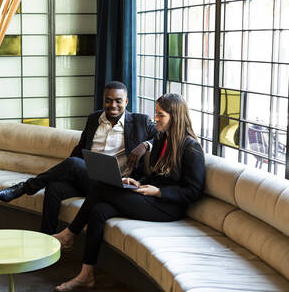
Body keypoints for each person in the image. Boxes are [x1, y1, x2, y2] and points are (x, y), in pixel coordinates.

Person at [51, 93, 206, 291]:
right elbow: (155, 176)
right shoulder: (160, 139)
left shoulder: (191, 148)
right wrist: (136, 182)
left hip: (169, 207)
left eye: (161, 115)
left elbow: (194, 191)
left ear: (175, 116)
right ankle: (86, 275)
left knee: (100, 187)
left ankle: (68, 235)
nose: (155, 119)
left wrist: (159, 192)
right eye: (156, 114)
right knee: (99, 210)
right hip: (151, 197)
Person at [0, 81, 158, 234]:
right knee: (54, 187)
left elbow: (163, 135)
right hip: (88, 178)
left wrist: (145, 145)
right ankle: (47, 241)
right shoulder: (94, 119)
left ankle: (24, 188)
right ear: (103, 100)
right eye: (108, 101)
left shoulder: (140, 121)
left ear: (127, 101)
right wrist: (70, 171)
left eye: (118, 101)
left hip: (114, 186)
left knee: (72, 164)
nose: (113, 105)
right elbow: (80, 149)